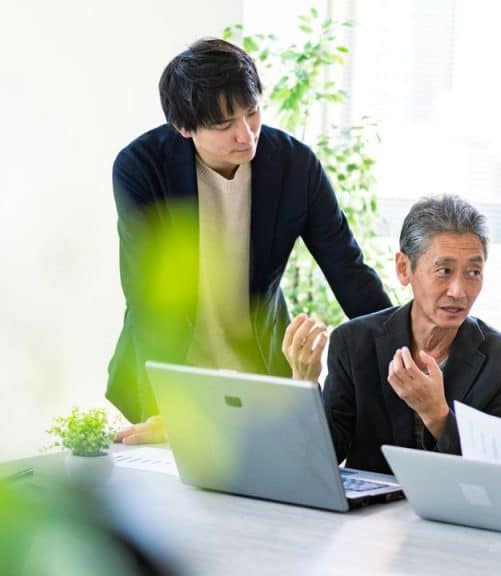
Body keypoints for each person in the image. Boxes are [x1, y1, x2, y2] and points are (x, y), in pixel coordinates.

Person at [110, 39, 391, 444]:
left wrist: (405, 349)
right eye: (224, 125)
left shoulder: (294, 165)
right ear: (184, 127)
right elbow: (149, 297)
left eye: (253, 112)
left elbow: (348, 271)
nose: (245, 135)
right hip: (167, 378)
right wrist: (170, 409)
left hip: (259, 372)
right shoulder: (141, 168)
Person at [312, 195, 501, 474]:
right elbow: (325, 455)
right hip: (369, 515)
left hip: (456, 514)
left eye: (473, 272)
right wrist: (305, 385)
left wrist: (437, 415)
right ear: (404, 268)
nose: (458, 291)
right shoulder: (353, 343)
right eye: (444, 271)